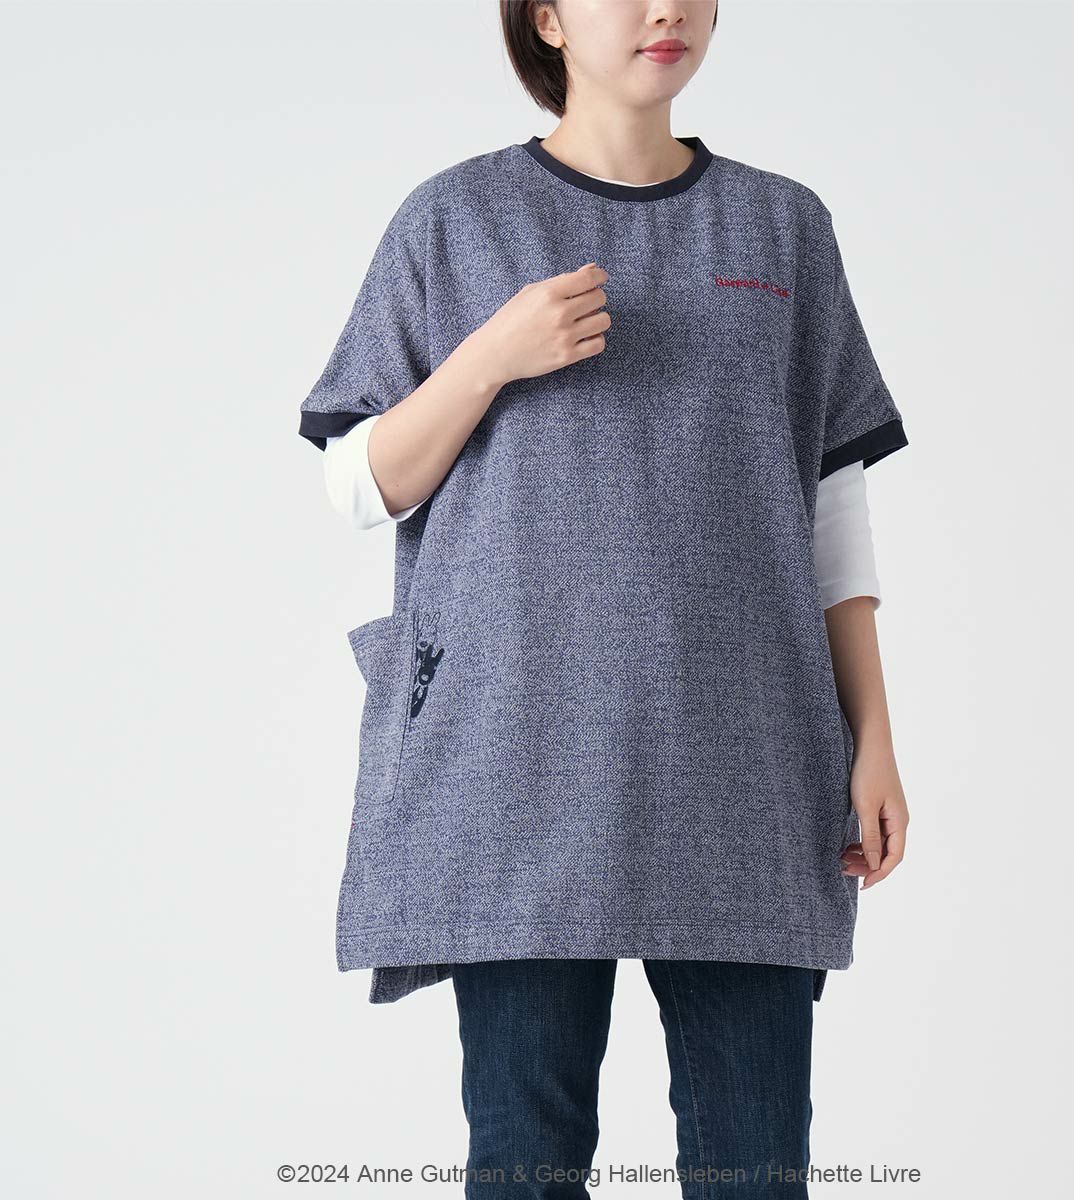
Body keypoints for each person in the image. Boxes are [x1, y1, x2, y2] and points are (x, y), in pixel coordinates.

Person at [296, 2, 911, 1195]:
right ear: (547, 17)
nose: (665, 9)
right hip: (515, 754)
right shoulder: (455, 219)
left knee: (756, 1168)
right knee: (524, 1164)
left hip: (743, 753)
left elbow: (832, 503)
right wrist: (491, 356)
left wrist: (874, 738)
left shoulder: (784, 228)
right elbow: (359, 484)